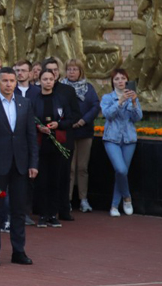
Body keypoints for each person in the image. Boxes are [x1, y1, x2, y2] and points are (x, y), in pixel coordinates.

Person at [0, 67, 38, 267]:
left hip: (20, 165)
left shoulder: (24, 103)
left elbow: (31, 136)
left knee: (19, 209)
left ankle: (18, 251)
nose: (9, 84)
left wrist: (33, 163)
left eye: (12, 80)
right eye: (5, 81)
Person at [30, 69, 73, 228]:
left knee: (55, 179)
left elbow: (69, 120)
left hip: (57, 145)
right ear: (39, 81)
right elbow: (28, 119)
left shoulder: (61, 99)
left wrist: (58, 125)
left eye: (50, 79)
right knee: (42, 180)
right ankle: (42, 214)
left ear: (55, 80)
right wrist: (38, 127)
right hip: (40, 144)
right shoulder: (34, 100)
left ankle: (52, 214)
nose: (48, 82)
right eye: (45, 79)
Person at [100, 69, 142, 217]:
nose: (120, 81)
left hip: (129, 139)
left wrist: (134, 101)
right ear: (113, 82)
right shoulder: (107, 98)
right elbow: (107, 115)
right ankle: (127, 197)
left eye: (123, 78)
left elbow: (137, 118)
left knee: (122, 173)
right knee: (121, 170)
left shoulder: (132, 96)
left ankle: (114, 206)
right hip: (111, 138)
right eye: (117, 79)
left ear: (127, 80)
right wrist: (120, 101)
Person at [61, 59, 100, 213]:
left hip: (85, 132)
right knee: (69, 168)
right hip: (68, 132)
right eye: (69, 69)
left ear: (80, 71)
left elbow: (95, 105)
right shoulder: (62, 88)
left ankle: (83, 199)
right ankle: (67, 200)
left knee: (82, 168)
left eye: (75, 69)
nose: (72, 72)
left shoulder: (88, 87)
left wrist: (83, 120)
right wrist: (71, 122)